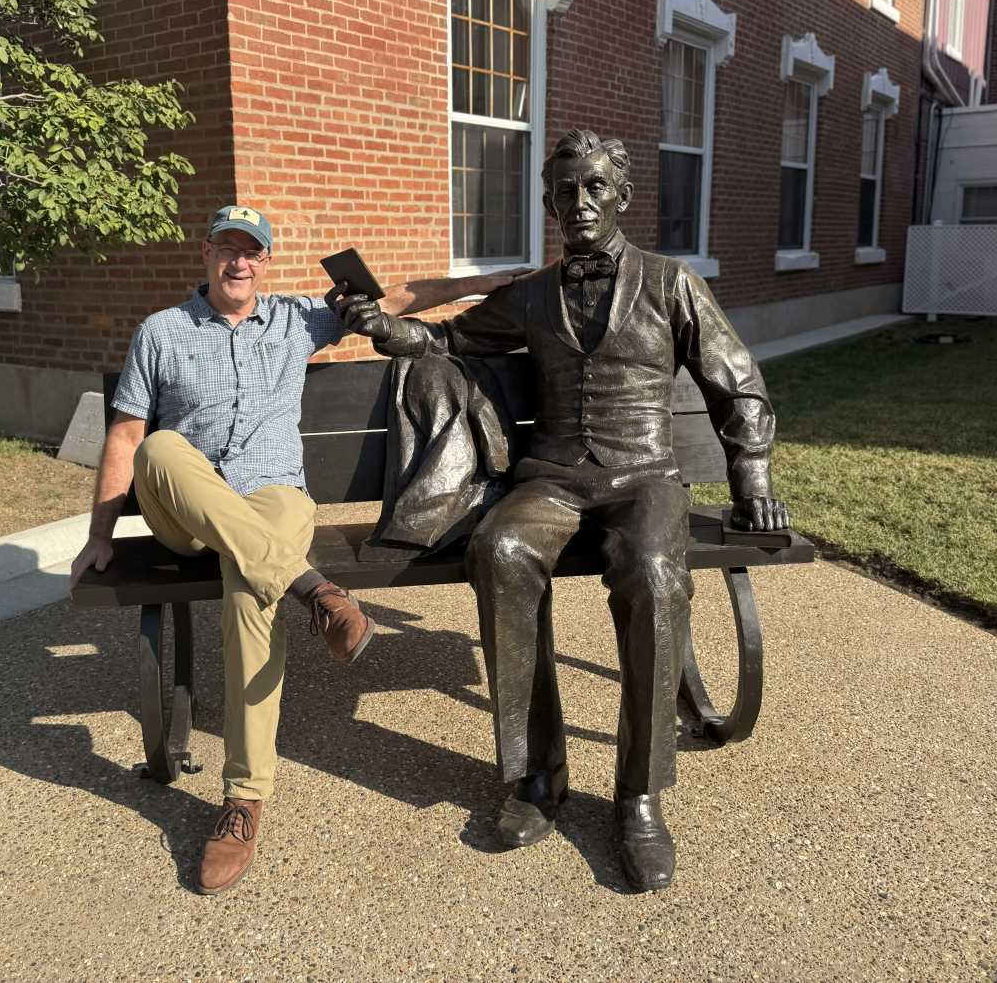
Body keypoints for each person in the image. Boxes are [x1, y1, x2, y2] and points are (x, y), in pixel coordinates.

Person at [333, 130, 789, 892]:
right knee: (500, 550)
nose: (579, 204)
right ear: (549, 203)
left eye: (594, 189)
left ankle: (638, 794)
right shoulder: (536, 295)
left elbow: (737, 381)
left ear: (622, 197)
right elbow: (446, 336)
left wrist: (752, 479)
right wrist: (381, 326)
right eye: (565, 192)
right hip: (550, 479)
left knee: (651, 569)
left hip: (644, 478)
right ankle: (537, 776)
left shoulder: (672, 283)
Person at [68, 203, 517, 896]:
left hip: (273, 497)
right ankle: (319, 591)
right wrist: (100, 535)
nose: (238, 261)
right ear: (207, 254)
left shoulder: (295, 318)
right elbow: (127, 438)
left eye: (251, 250)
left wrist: (513, 277)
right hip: (184, 507)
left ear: (265, 261)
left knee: (251, 582)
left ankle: (243, 798)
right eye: (226, 247)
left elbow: (402, 295)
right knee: (162, 445)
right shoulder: (160, 332)